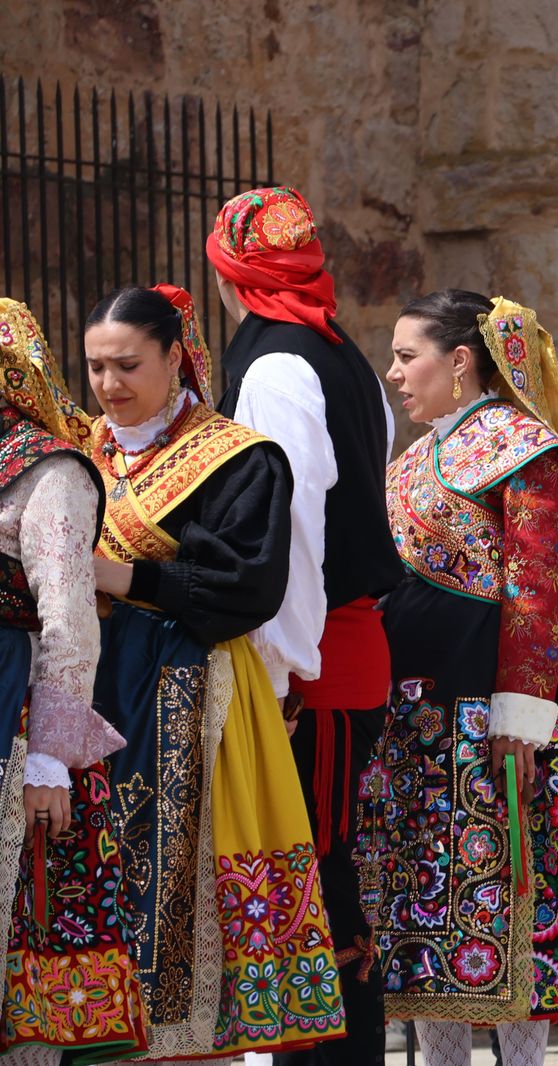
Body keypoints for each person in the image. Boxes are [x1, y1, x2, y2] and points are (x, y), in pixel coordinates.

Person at [358, 291, 558, 1066]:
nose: (393, 373)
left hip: (494, 721)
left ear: (459, 361)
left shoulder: (527, 451)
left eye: (406, 356)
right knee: (427, 923)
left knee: (512, 906)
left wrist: (521, 715)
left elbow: (538, 587)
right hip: (416, 723)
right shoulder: (413, 459)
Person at [83, 284, 344, 1058]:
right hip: (92, 692)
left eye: (128, 365)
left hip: (192, 694)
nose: (108, 385)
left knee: (189, 875)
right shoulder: (80, 452)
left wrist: (124, 579)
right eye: (95, 367)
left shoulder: (238, 458)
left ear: (174, 357)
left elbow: (250, 589)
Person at [205, 185, 401, 1066]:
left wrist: (280, 673)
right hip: (340, 648)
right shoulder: (340, 358)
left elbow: (291, 533)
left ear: (230, 275)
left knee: (317, 882)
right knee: (324, 876)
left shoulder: (278, 367)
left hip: (313, 658)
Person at [0, 300, 144, 1063]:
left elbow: (67, 619)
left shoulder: (47, 472)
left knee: (26, 952)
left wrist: (52, 757)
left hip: (18, 740)